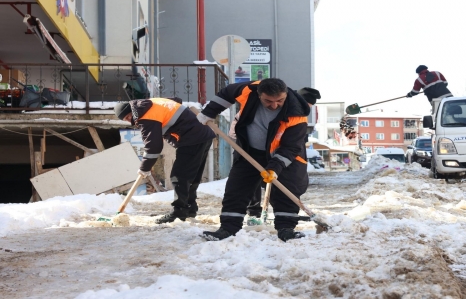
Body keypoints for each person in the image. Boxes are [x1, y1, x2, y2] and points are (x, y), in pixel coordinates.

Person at [197, 78, 311, 242]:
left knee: (287, 191)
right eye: (268, 101)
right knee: (236, 189)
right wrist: (209, 112)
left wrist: (275, 168)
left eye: (279, 100)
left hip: (283, 156)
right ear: (259, 95)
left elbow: (291, 147)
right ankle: (228, 229)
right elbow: (227, 93)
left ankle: (286, 229)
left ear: (286, 94)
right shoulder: (248, 90)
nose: (274, 105)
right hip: (249, 152)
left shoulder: (297, 114)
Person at [113, 98, 215, 224]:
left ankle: (179, 212)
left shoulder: (145, 116)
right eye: (126, 120)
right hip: (203, 135)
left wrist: (144, 168)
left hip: (192, 138)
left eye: (128, 117)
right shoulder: (151, 103)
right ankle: (190, 209)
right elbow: (177, 100)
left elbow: (153, 147)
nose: (130, 122)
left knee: (179, 177)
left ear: (131, 111)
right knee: (191, 177)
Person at [243, 86, 321, 223]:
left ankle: (287, 213)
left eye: (310, 105)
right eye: (308, 103)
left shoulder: (299, 114)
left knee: (290, 182)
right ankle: (255, 212)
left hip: (287, 155)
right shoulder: (285, 110)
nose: (308, 107)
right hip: (268, 152)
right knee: (258, 181)